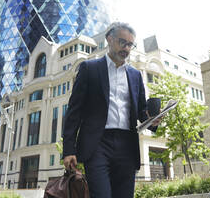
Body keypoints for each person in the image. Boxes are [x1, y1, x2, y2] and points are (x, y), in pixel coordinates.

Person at [62, 22, 160, 198]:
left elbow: (140, 111)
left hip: (127, 145)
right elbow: (74, 111)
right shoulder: (89, 69)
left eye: (130, 44)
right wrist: (69, 149)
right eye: (123, 42)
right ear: (109, 39)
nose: (127, 48)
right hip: (98, 144)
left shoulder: (135, 75)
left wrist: (153, 119)